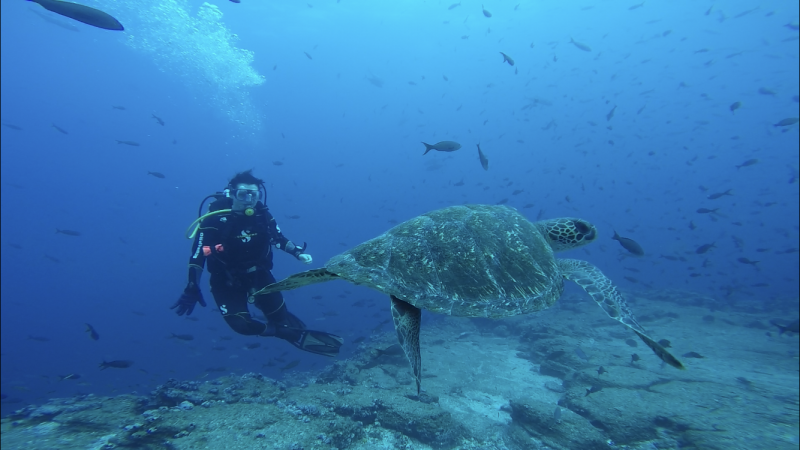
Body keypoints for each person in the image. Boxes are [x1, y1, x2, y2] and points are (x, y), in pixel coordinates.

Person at [171, 169, 343, 357]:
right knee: (241, 325)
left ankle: (286, 327)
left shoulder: (262, 214)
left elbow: (278, 238)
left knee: (280, 317)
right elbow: (197, 255)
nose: (249, 200)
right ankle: (280, 332)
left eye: (254, 194)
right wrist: (192, 285)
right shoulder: (213, 220)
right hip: (225, 281)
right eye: (243, 194)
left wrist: (297, 253)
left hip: (259, 275)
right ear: (232, 194)